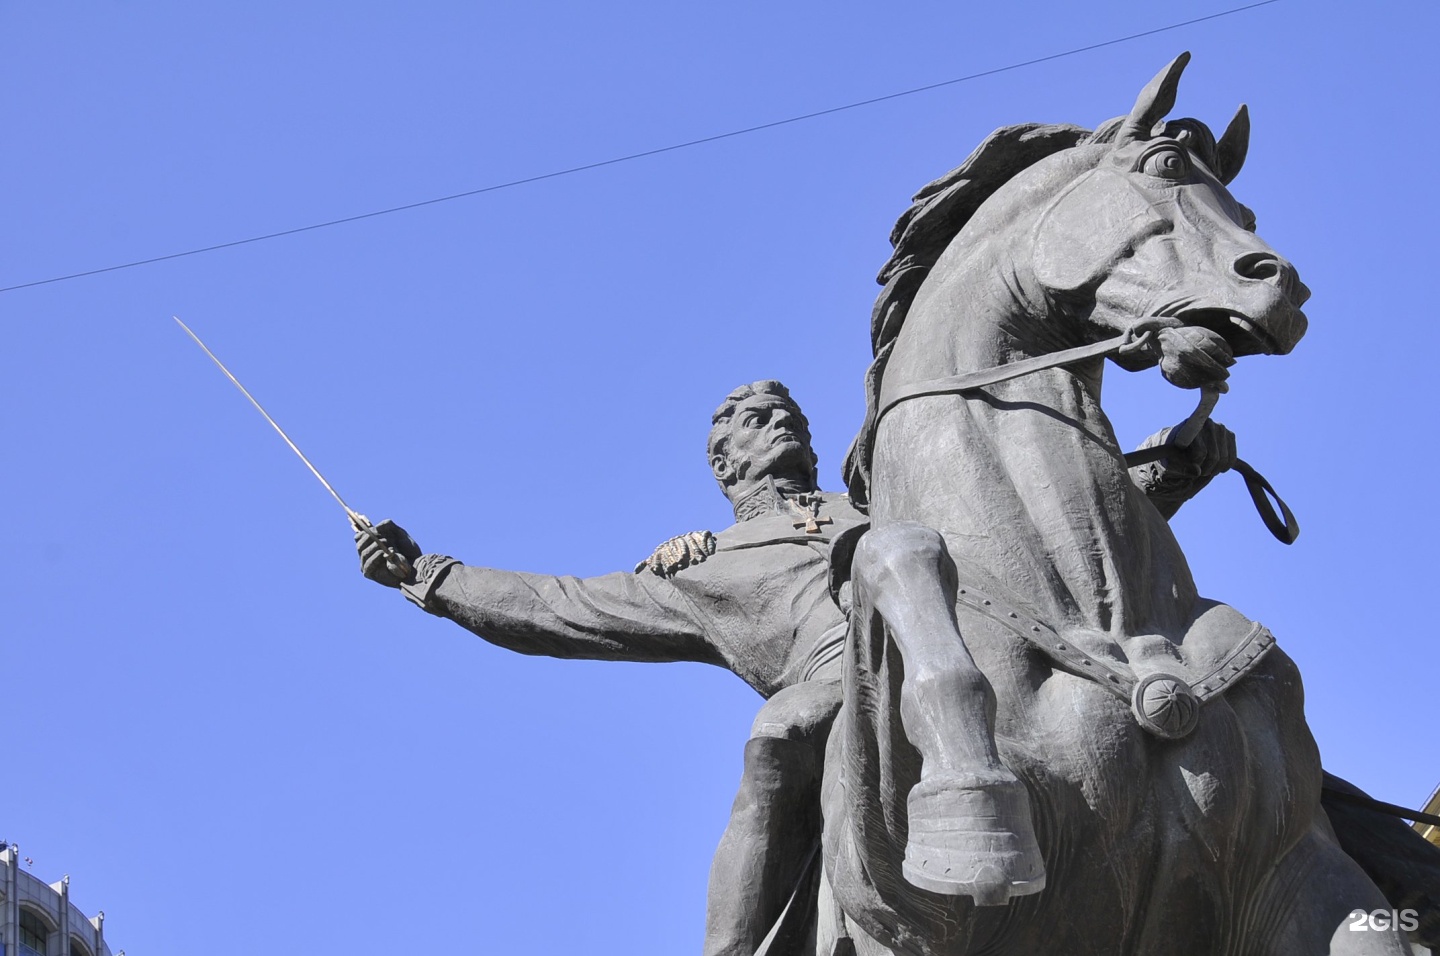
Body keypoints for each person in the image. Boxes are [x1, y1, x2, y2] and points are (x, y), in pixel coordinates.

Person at [356, 380, 1234, 955]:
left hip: (988, 648)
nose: (783, 420)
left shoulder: (892, 498)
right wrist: (432, 576)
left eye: (791, 414)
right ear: (724, 463)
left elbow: (1036, 536)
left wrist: (1171, 468)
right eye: (753, 418)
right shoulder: (704, 568)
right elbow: (561, 608)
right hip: (838, 682)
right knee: (780, 731)